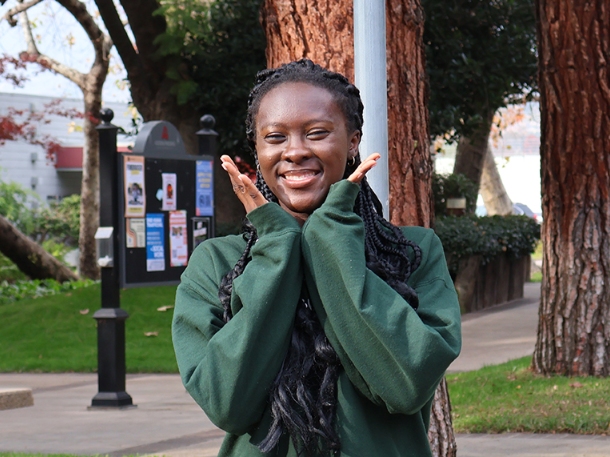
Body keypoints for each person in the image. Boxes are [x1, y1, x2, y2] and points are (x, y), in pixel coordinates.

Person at [172, 59, 461, 457]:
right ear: (256, 148)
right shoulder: (216, 263)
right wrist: (277, 247)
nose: (295, 152)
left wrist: (332, 239)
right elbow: (228, 404)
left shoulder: (413, 253)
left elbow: (405, 385)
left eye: (317, 133)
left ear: (353, 140)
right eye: (275, 137)